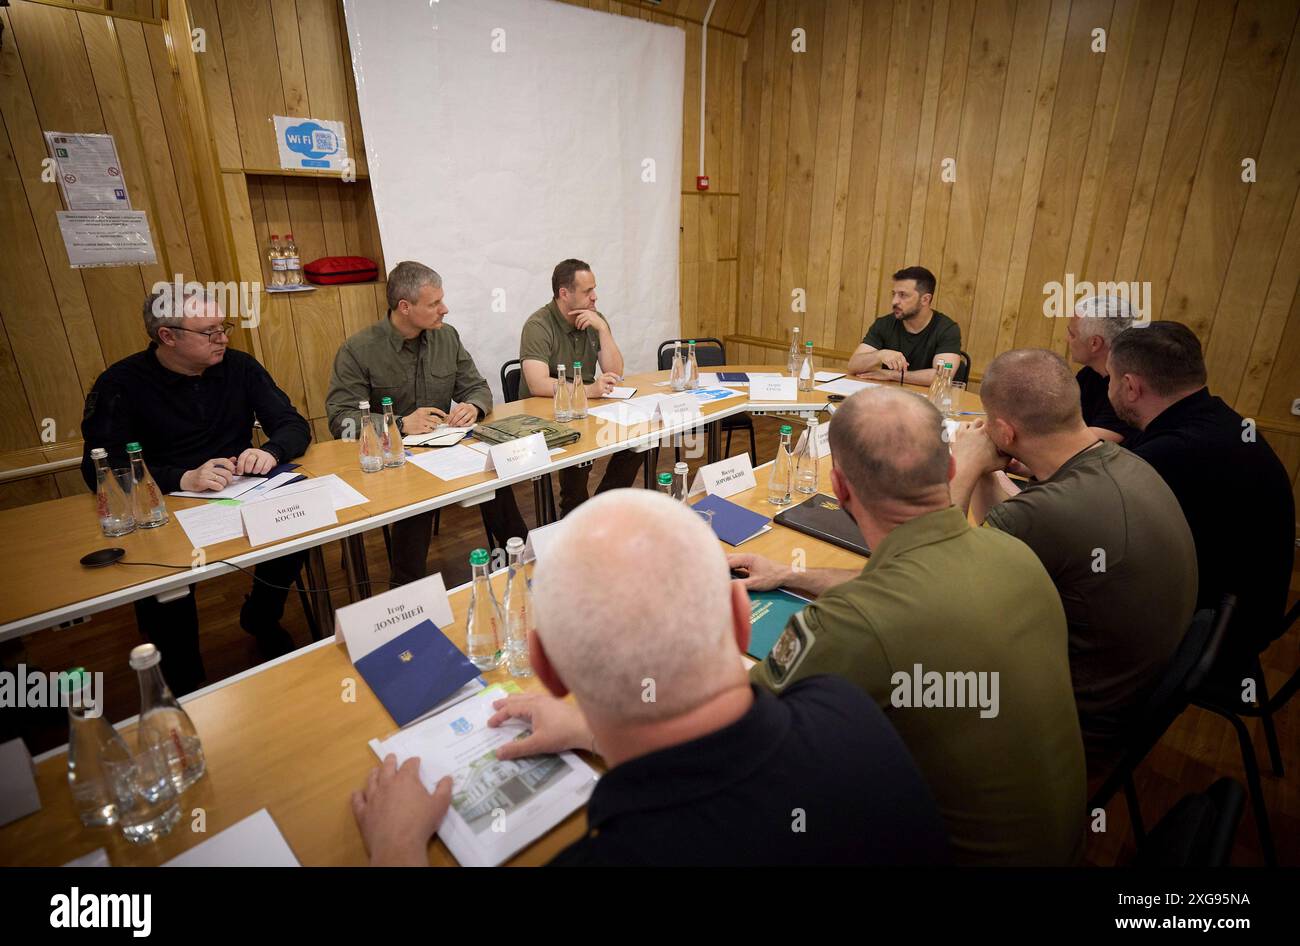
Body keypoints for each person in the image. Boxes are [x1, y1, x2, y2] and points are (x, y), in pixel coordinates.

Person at [352, 490, 948, 866]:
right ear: (742, 621)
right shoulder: (846, 710)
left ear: (546, 669)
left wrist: (398, 847)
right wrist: (591, 727)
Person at [730, 389, 1086, 866]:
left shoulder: (854, 622)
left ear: (839, 488)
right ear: (952, 470)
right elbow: (900, 584)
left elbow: (731, 725)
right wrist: (791, 575)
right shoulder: (1014, 553)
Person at [949, 349, 1197, 776]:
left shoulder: (1046, 514)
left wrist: (965, 466)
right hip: (1131, 698)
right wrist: (991, 468)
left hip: (1070, 732)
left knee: (901, 675)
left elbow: (931, 579)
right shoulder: (1126, 463)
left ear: (1004, 430)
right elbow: (1023, 520)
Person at [80, 288, 312, 693]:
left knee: (301, 523)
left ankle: (261, 616)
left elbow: (293, 424)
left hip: (240, 489)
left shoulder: (240, 367)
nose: (223, 338)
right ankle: (183, 683)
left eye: (224, 328)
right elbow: (99, 466)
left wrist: (271, 452)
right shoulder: (121, 383)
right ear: (168, 336)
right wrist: (182, 478)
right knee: (166, 585)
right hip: (162, 503)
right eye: (209, 332)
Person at [1108, 321, 1295, 681]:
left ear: (1130, 386)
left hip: (1214, 636)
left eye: (1111, 380)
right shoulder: (1215, 420)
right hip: (1244, 609)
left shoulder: (1174, 452)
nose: (1109, 388)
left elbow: (1091, 525)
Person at [325, 261, 527, 584]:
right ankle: (406, 593)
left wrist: (473, 407)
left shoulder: (447, 338)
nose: (444, 309)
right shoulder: (359, 350)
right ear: (404, 307)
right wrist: (400, 424)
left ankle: (520, 563)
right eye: (434, 304)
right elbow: (341, 419)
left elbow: (477, 387)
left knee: (495, 473)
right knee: (416, 502)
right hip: (394, 461)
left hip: (446, 450)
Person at [518, 259, 644, 516]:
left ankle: (599, 510)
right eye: (588, 291)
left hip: (585, 409)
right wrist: (588, 391)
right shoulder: (538, 325)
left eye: (594, 289)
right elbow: (537, 383)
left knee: (640, 438)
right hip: (547, 414)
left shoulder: (593, 319)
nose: (595, 297)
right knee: (579, 455)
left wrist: (603, 329)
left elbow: (615, 373)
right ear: (564, 294)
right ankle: (573, 512)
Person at [846, 266, 962, 386]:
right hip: (888, 395)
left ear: (925, 299)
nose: (894, 301)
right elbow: (853, 366)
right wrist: (879, 355)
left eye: (903, 295)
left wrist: (891, 375)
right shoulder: (884, 324)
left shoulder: (947, 329)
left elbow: (942, 376)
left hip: (926, 399)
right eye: (894, 294)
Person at [1066, 294, 1138, 444]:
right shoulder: (1089, 374)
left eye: (1072, 334)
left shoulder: (1127, 388)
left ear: (1095, 343)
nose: (1067, 339)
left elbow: (1085, 445)